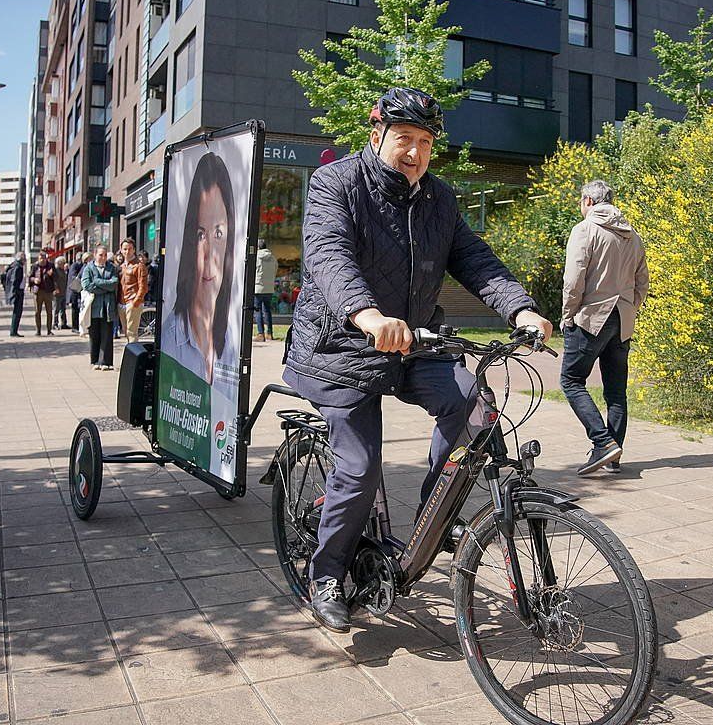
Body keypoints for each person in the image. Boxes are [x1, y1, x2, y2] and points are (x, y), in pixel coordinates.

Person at [282, 87, 552, 632]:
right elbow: (329, 256)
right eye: (404, 138)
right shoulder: (334, 183)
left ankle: (436, 516)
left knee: (475, 403)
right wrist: (367, 315)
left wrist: (520, 308)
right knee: (359, 469)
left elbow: (474, 259)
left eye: (425, 142)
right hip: (340, 346)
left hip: (412, 344)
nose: (415, 152)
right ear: (376, 134)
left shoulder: (438, 199)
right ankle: (327, 572)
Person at [559, 180, 649, 476]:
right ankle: (614, 455)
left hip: (590, 317)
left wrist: (568, 314)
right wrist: (629, 308)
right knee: (615, 391)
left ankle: (602, 442)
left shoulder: (584, 230)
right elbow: (642, 283)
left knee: (571, 381)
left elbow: (574, 280)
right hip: (622, 319)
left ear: (588, 201)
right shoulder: (633, 236)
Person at [161, 153, 238, 383]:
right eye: (200, 234)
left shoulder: (231, 340)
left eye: (218, 233)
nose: (209, 254)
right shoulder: (171, 339)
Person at [81, 245, 119, 369]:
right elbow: (87, 285)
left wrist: (97, 281)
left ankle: (106, 362)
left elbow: (114, 284)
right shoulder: (89, 268)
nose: (103, 257)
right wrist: (105, 287)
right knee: (94, 334)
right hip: (93, 307)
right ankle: (95, 360)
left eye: (104, 255)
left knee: (107, 334)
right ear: (95, 254)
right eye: (100, 255)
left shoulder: (111, 268)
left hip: (108, 306)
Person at [118, 238, 149, 343]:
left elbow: (143, 286)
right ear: (121, 250)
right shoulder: (121, 266)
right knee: (126, 332)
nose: (127, 251)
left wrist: (136, 302)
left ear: (134, 250)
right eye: (125, 249)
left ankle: (134, 358)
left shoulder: (139, 266)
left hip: (132, 302)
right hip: (122, 302)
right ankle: (130, 355)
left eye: (130, 249)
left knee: (132, 334)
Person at [253, 238, 278, 341]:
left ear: (258, 247)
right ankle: (270, 333)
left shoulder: (257, 257)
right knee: (267, 311)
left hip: (258, 287)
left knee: (258, 311)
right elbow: (275, 271)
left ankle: (260, 334)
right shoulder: (273, 258)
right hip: (269, 288)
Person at [28, 250, 56, 336]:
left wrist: (51, 274)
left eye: (44, 258)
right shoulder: (35, 266)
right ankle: (38, 330)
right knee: (37, 312)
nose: (42, 260)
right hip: (38, 291)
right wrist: (34, 280)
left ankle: (49, 330)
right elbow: (30, 278)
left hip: (48, 291)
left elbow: (56, 277)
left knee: (49, 312)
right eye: (41, 259)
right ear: (38, 259)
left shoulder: (51, 266)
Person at [5, 253, 27, 337]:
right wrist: (15, 292)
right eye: (24, 259)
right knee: (17, 312)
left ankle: (14, 331)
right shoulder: (18, 267)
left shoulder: (14, 265)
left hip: (17, 291)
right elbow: (15, 280)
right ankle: (13, 331)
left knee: (17, 311)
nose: (25, 261)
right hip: (18, 292)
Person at [67, 253, 86, 333]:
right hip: (75, 291)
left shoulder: (81, 265)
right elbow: (74, 277)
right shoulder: (75, 265)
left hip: (78, 290)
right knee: (75, 309)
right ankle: (75, 326)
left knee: (78, 309)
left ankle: (78, 325)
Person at [52, 256, 69, 331]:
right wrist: (55, 288)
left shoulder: (63, 271)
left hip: (63, 292)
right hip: (57, 293)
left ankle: (63, 323)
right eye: (63, 263)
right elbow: (54, 281)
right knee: (56, 309)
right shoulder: (55, 270)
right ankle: (55, 324)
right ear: (59, 263)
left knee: (63, 309)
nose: (64, 264)